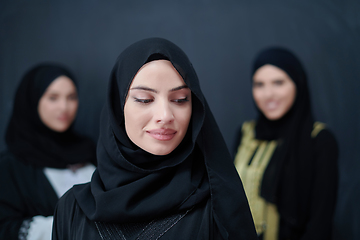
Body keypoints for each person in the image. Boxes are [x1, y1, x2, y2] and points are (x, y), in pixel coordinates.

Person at [52, 38, 258, 240]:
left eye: (180, 100)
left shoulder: (218, 206)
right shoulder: (71, 210)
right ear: (118, 108)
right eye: (145, 99)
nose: (165, 115)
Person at [232, 47, 338, 240]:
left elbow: (320, 225)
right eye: (259, 84)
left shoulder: (319, 140)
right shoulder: (246, 133)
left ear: (297, 83)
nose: (268, 94)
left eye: (278, 83)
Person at [0, 64, 97, 240]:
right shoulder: (10, 166)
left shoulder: (91, 151)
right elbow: (5, 228)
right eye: (53, 98)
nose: (64, 107)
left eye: (71, 97)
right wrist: (72, 226)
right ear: (33, 99)